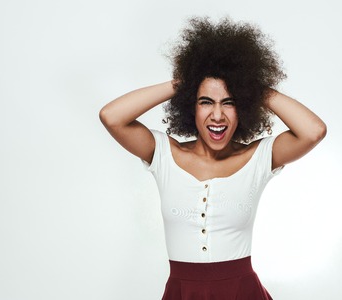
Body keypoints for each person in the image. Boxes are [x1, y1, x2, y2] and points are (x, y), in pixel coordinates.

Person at [99, 17, 326, 300]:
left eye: (229, 103)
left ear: (243, 106)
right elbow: (112, 116)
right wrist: (186, 82)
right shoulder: (165, 155)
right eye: (206, 101)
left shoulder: (257, 158)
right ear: (189, 106)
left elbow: (313, 131)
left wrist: (251, 85)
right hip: (182, 291)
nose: (217, 115)